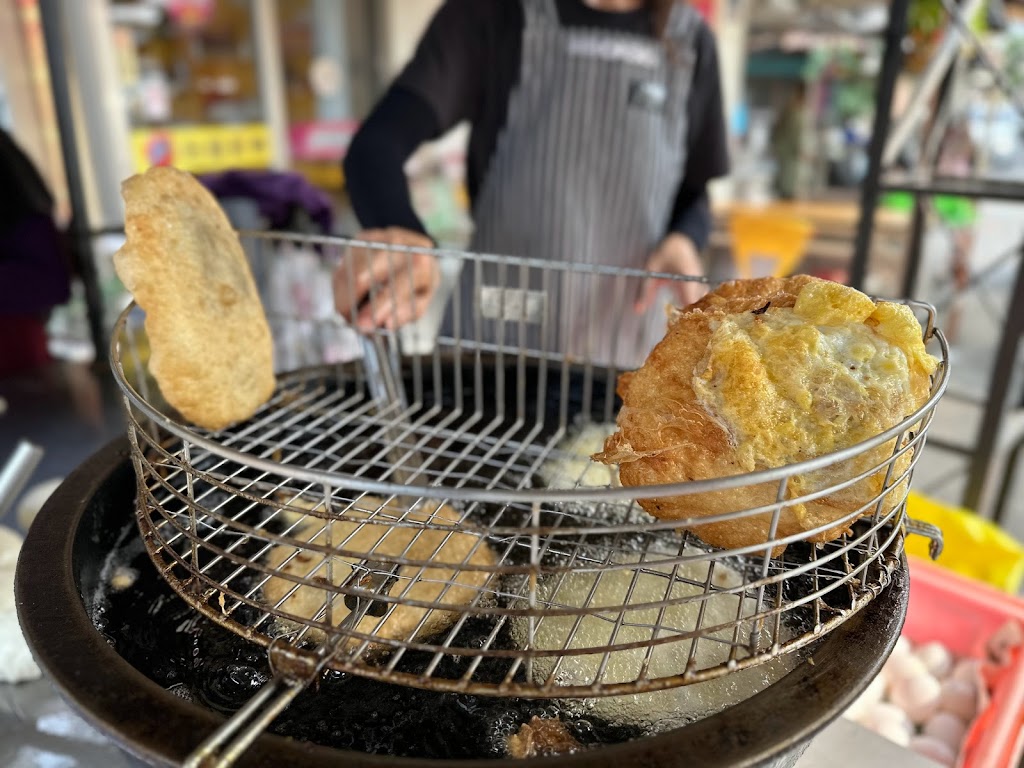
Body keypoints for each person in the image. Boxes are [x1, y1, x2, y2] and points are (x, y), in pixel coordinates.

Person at [336, 0, 728, 367]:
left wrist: (684, 238)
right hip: (495, 347)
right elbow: (376, 147)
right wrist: (403, 233)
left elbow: (693, 193)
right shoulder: (492, 13)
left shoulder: (691, 42)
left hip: (625, 355)